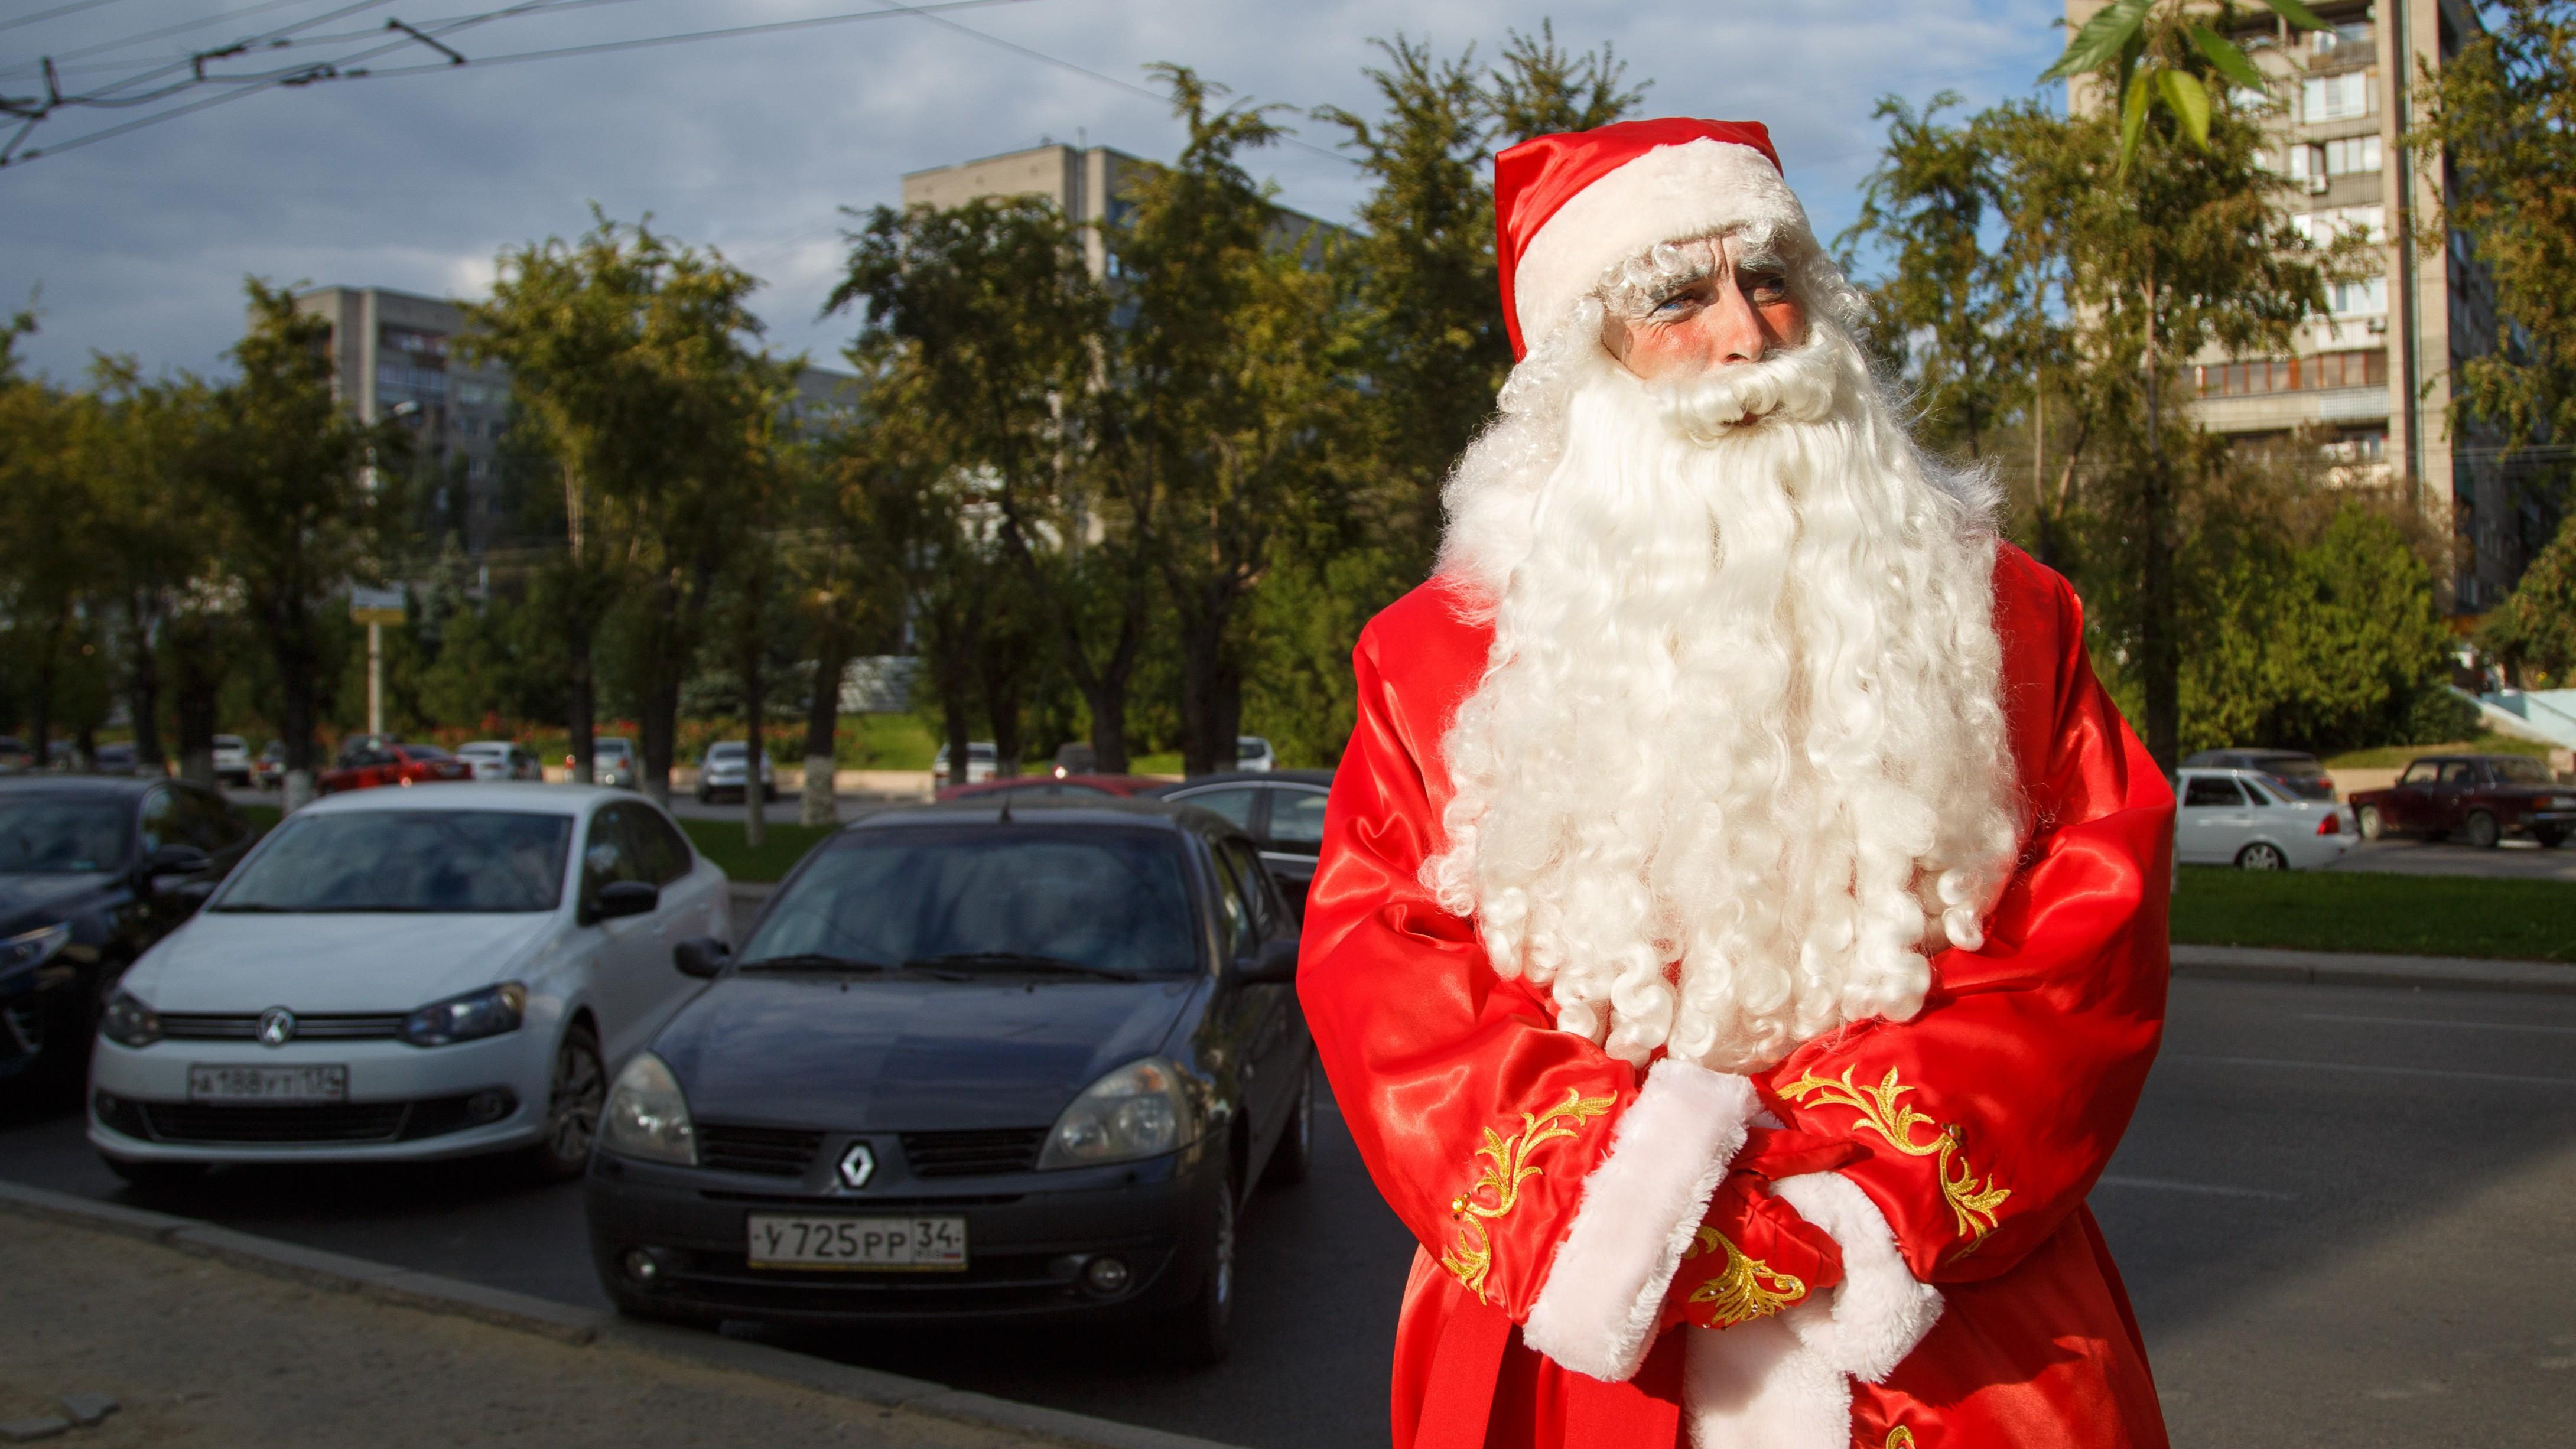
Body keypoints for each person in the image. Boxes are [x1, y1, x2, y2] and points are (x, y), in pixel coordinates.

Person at [1297, 118, 2173, 1449]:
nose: (1746, 334)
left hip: (1940, 1325)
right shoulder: (1431, 656)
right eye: (1675, 297)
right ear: (1582, 358)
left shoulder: (2011, 618)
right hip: (1586, 1339)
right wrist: (1623, 1204)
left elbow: (2087, 934)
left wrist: (1838, 1197)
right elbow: (1381, 966)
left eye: (1769, 280)